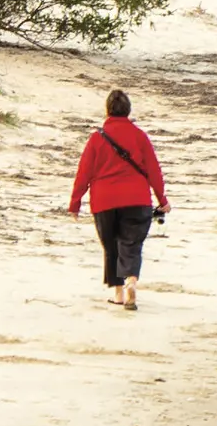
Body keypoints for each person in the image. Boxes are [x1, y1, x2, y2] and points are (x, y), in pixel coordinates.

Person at [67, 89, 169, 310]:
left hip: (104, 200)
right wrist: (162, 199)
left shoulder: (96, 138)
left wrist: (75, 203)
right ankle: (131, 280)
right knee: (131, 244)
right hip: (137, 199)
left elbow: (83, 172)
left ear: (107, 110)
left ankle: (119, 294)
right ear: (128, 110)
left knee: (111, 246)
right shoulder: (140, 136)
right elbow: (153, 170)